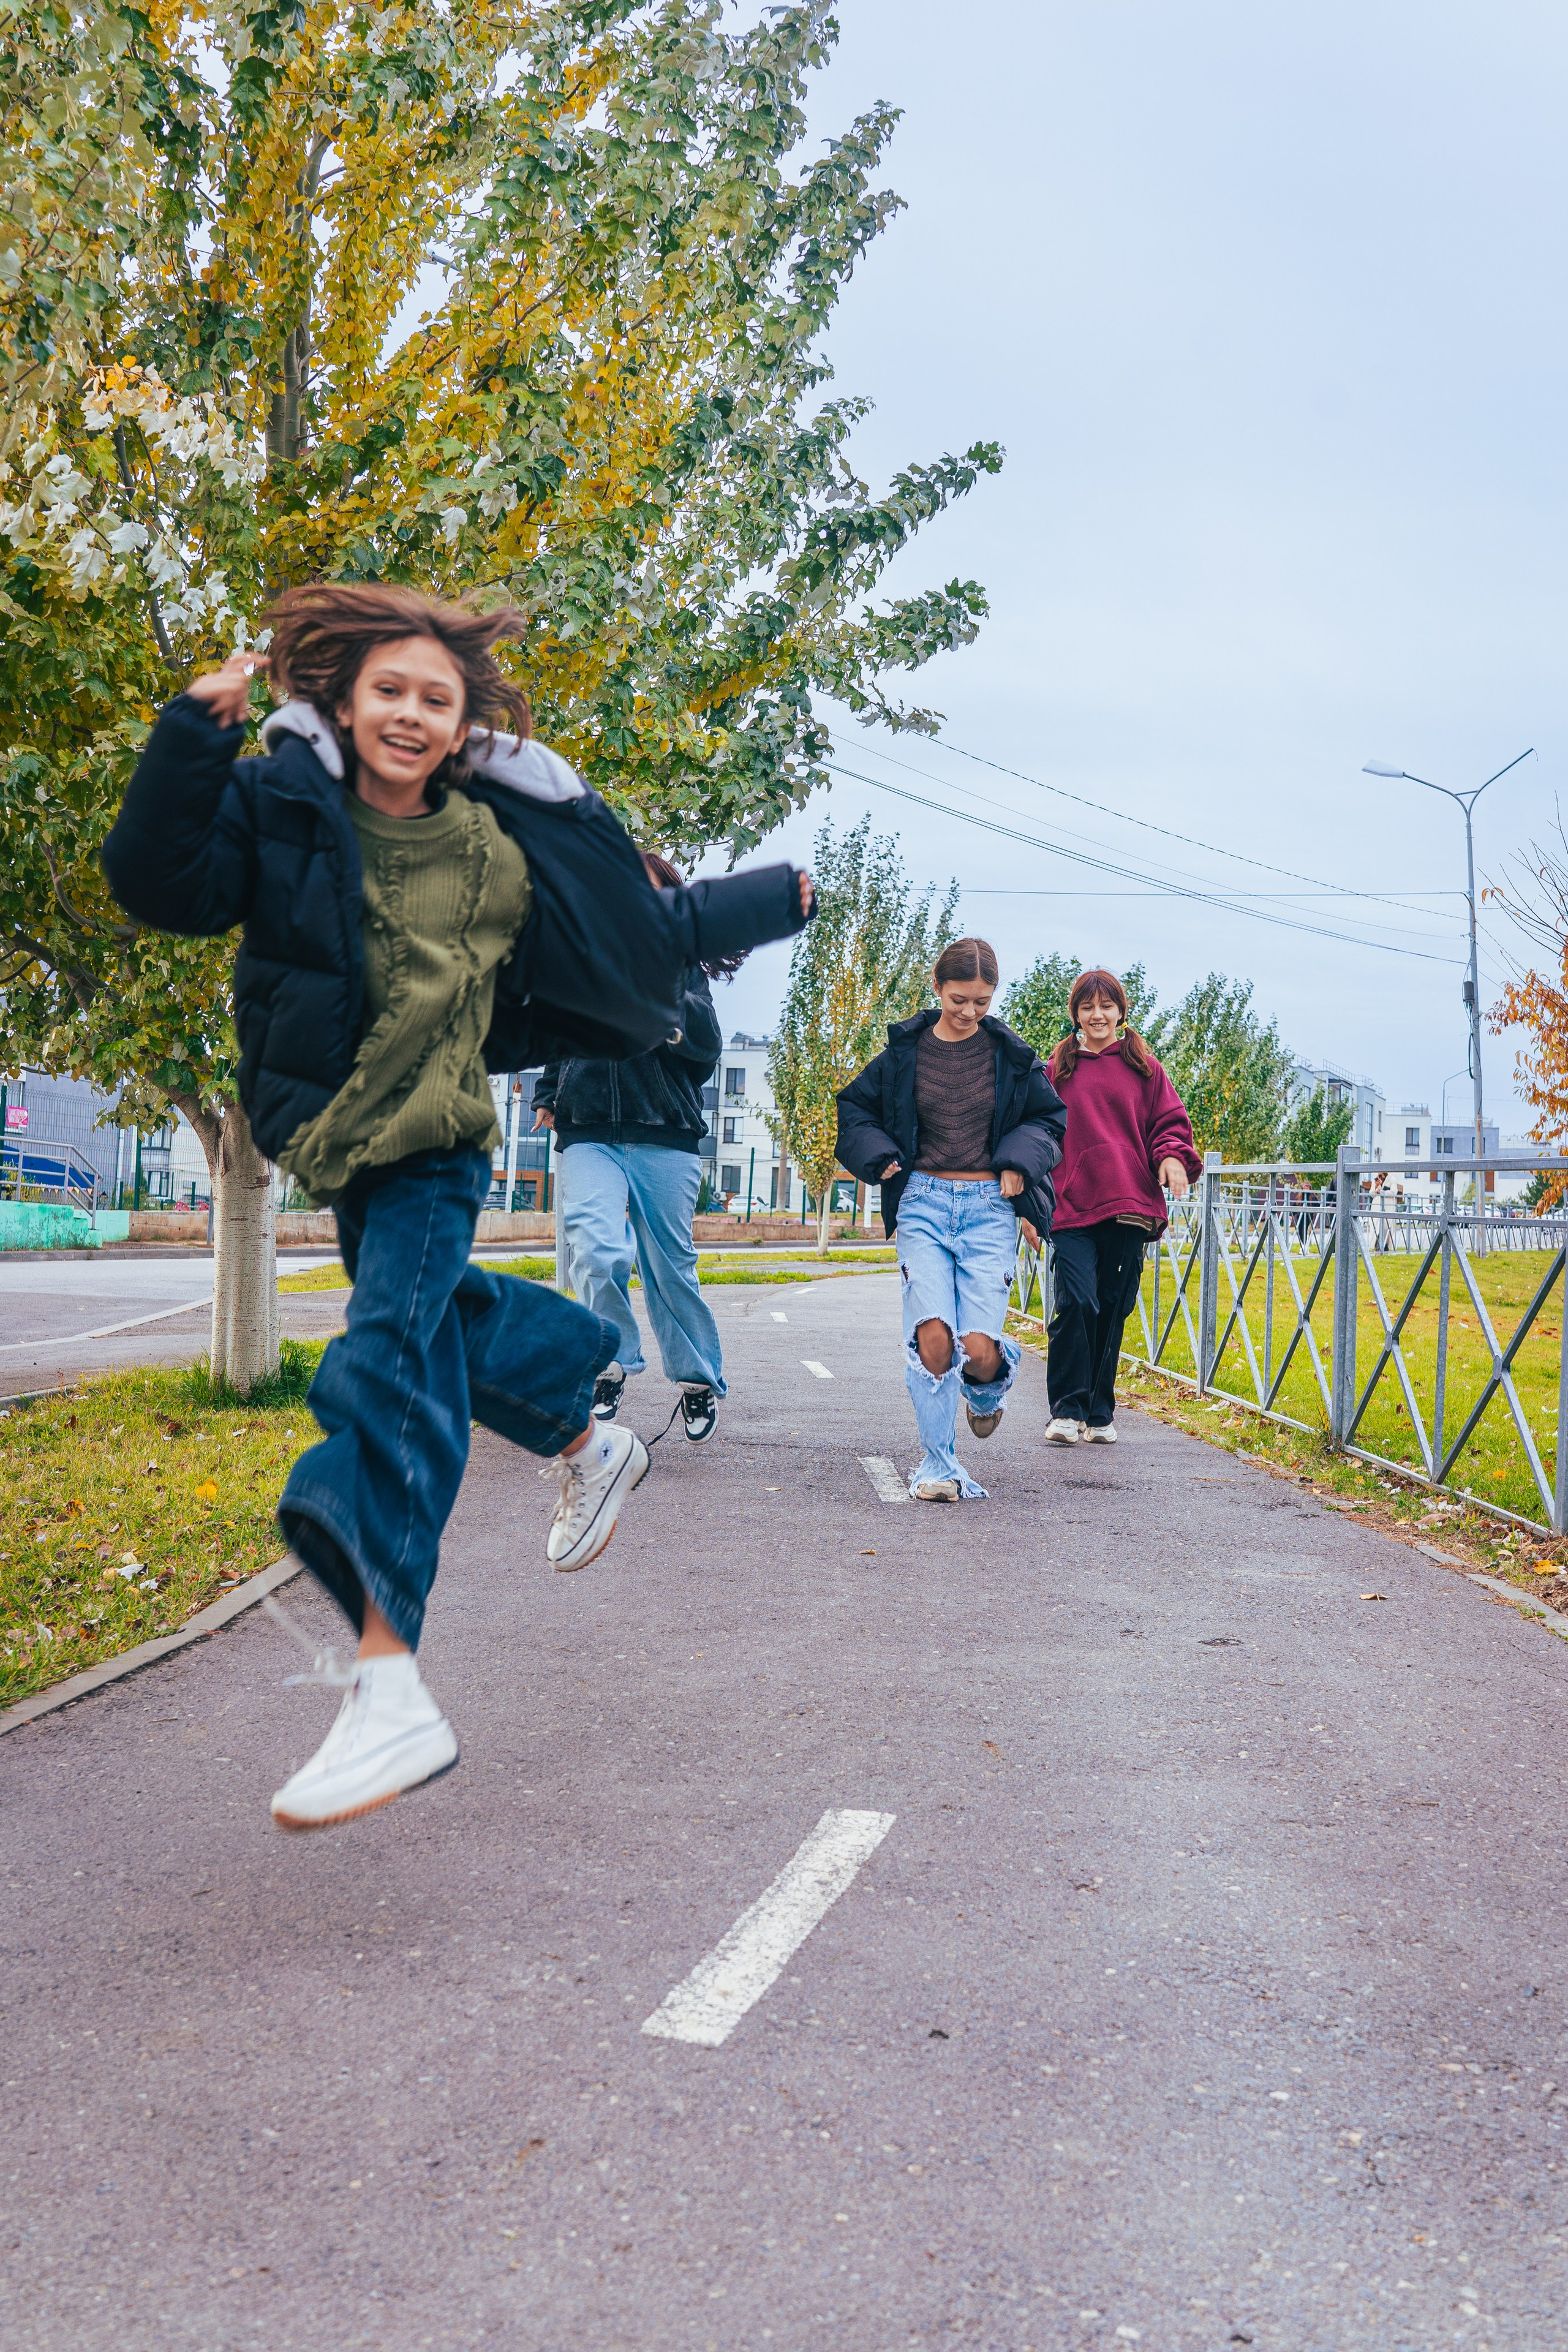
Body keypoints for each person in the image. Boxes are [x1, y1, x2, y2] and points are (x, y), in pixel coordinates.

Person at [102, 583, 813, 1831]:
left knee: (388, 1368)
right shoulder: (283, 810)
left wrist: (763, 899)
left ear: (462, 722)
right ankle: (591, 1435)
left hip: (434, 1145)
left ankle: (389, 1687)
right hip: (338, 1144)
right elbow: (161, 882)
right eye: (389, 689)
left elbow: (635, 937)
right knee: (444, 1324)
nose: (410, 713)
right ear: (342, 698)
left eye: (437, 696)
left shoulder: (496, 848)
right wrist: (189, 735)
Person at [835, 939, 1066, 1501]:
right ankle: (938, 1466)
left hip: (989, 1210)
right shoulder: (902, 1056)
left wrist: (1018, 1164)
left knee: (978, 1348)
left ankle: (987, 1385)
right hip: (923, 1204)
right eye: (960, 999)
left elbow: (1048, 1121)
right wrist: (881, 1155)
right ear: (937, 987)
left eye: (982, 1003)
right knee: (934, 1338)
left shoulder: (1011, 1058)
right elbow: (855, 1108)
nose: (969, 1012)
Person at [532, 852, 736, 1443]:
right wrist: (551, 1092)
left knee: (670, 1269)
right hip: (588, 1130)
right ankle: (610, 1363)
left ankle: (697, 1380)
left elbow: (705, 1047)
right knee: (594, 1251)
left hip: (663, 1134)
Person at [1044, 967, 1200, 1445]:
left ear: (1120, 1012)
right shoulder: (1057, 1070)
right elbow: (1038, 1133)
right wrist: (1032, 1204)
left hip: (1130, 1202)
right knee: (1078, 1301)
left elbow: (1169, 1124)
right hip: (1071, 1206)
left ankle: (1099, 1411)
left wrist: (1172, 1158)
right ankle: (1066, 1411)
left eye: (1106, 1006)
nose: (1097, 1015)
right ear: (1076, 1014)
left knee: (1114, 1306)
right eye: (1087, 1007)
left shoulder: (1146, 1069)